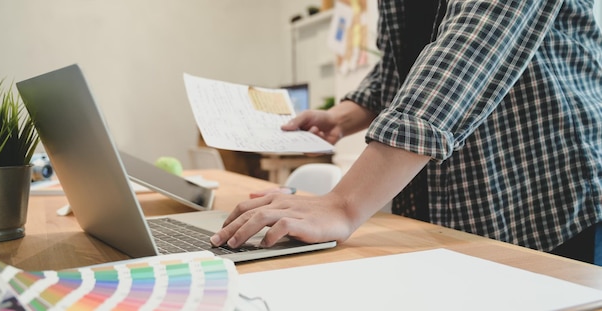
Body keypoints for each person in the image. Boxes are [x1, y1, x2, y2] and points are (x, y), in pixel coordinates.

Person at [211, 0, 602, 265]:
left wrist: (345, 203)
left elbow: (472, 45)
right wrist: (345, 115)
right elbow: (402, 62)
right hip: (454, 200)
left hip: (548, 187)